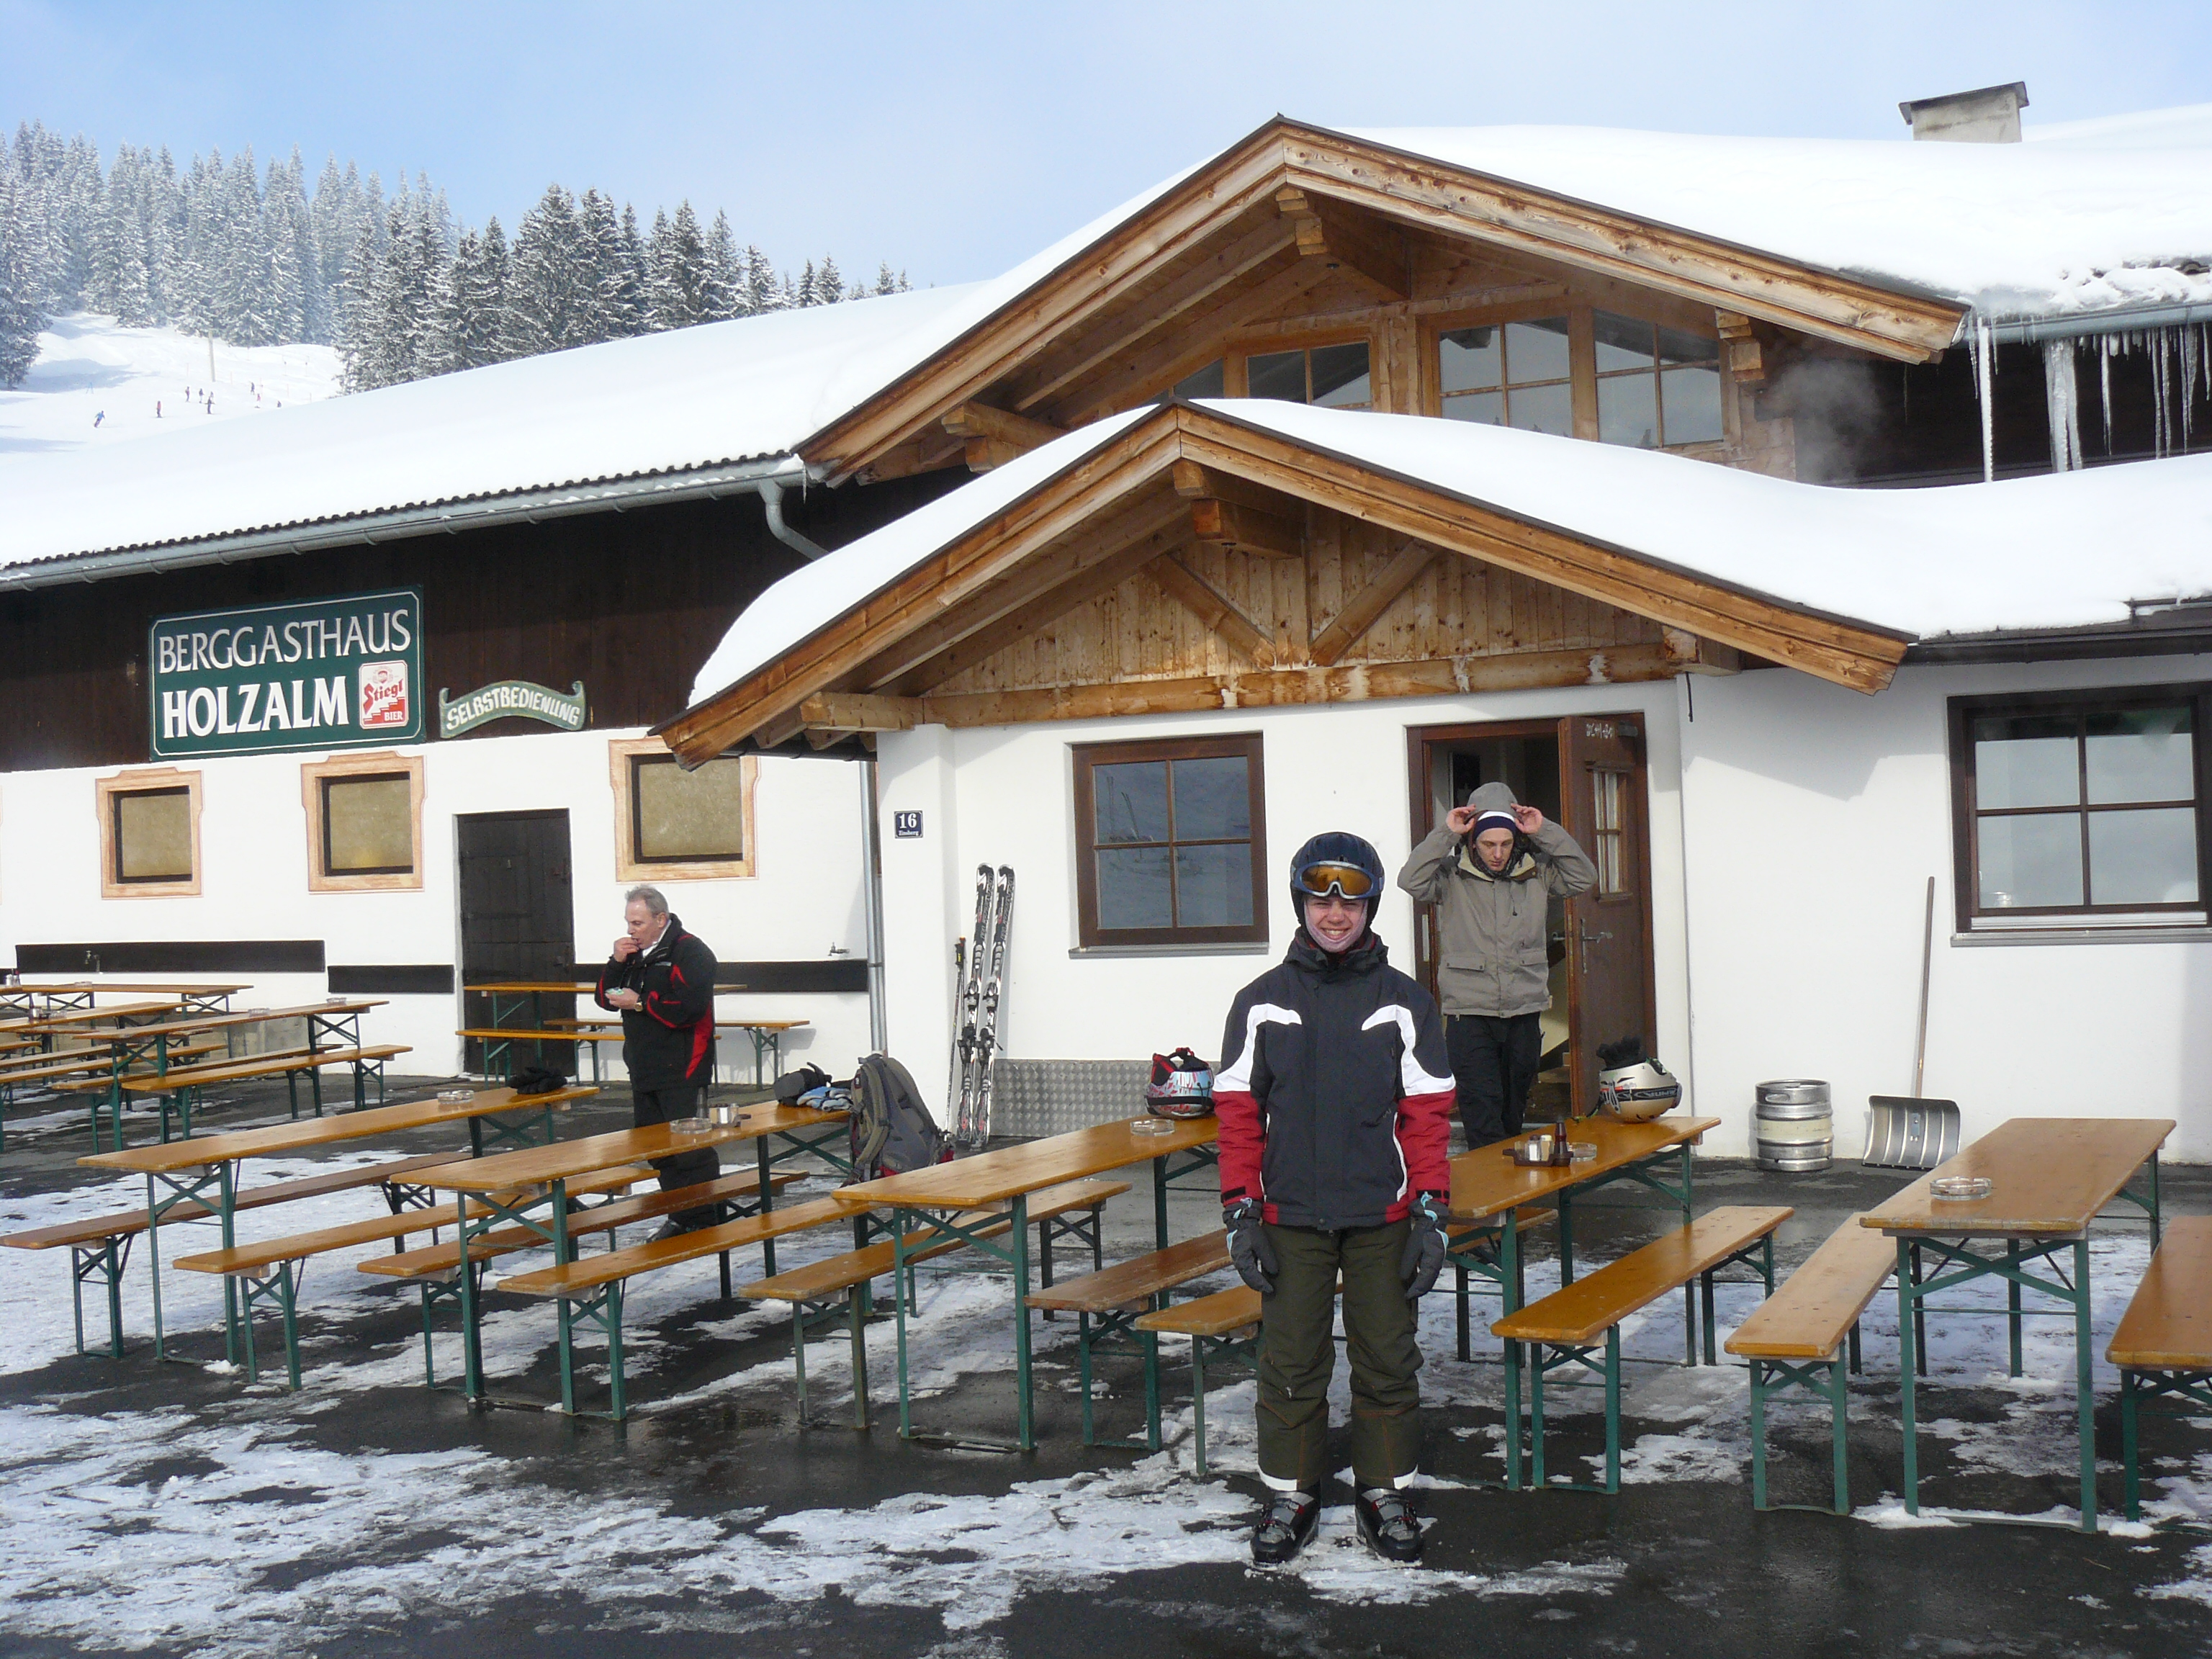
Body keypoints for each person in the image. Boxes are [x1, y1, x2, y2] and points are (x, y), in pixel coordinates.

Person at [1214, 832, 1455, 1566]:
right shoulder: (1261, 1004)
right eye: (1320, 899)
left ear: (1371, 907)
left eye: (1351, 901)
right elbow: (1237, 1115)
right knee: (1291, 1362)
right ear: (1301, 904)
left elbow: (1427, 1116)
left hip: (1383, 1216)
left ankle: (1384, 1490)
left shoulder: (1406, 1003)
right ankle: (1293, 1493)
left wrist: (1432, 1213)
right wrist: (1241, 1211)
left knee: (1387, 1359)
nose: (1335, 914)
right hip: (1290, 1217)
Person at [1396, 782, 1596, 1149]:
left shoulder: (1538, 873)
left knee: (1512, 1111)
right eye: (1489, 844)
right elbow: (1409, 880)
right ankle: (1490, 1183)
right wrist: (1446, 833)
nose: (1498, 853)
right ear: (1473, 841)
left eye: (1505, 843)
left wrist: (1545, 830)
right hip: (1469, 1013)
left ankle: (1509, 1182)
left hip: (1524, 1010)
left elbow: (1583, 876)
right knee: (1481, 1110)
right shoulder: (1451, 877)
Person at [595, 884, 720, 1238]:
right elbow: (604, 999)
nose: (631, 930)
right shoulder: (634, 954)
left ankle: (705, 1218)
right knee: (656, 1147)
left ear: (661, 919)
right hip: (643, 1066)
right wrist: (616, 962)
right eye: (628, 923)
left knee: (690, 1150)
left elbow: (689, 1009)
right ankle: (680, 1215)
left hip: (683, 1066)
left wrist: (639, 1002)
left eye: (637, 923)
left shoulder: (690, 951)